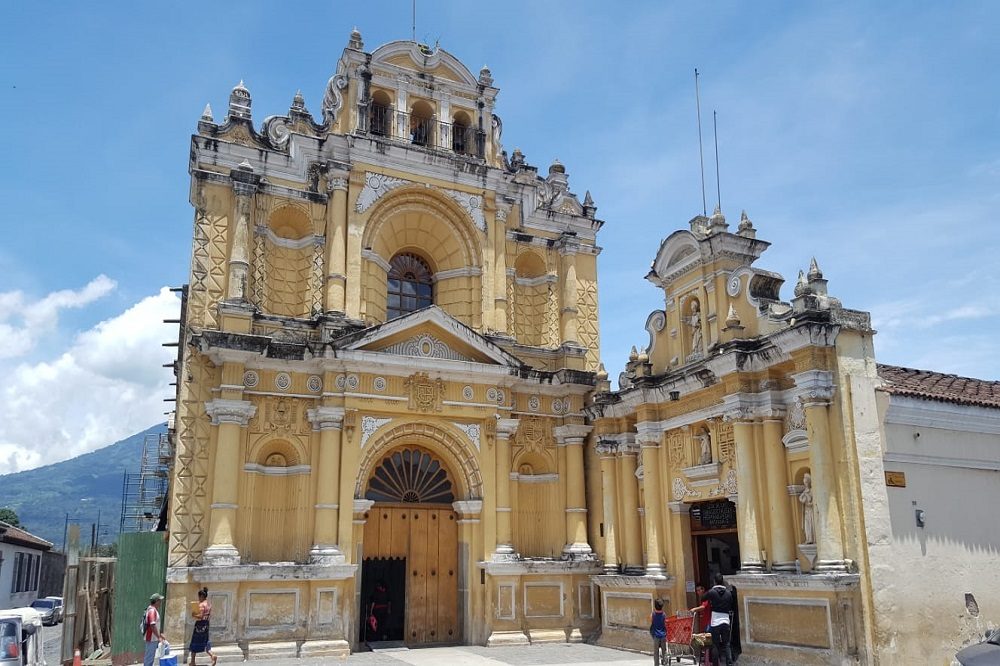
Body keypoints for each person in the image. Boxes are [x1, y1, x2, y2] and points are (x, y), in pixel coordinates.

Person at [702, 573, 734, 666]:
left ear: (714, 581)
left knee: (715, 645)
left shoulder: (712, 592)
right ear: (723, 581)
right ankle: (730, 663)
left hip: (715, 622)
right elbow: (731, 603)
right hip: (725, 620)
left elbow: (703, 598)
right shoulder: (728, 593)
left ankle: (716, 664)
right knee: (726, 643)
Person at [188, 587, 217, 666]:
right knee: (206, 641)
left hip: (199, 625)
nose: (199, 598)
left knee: (194, 643)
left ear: (201, 596)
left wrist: (194, 615)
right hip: (206, 624)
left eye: (199, 597)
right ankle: (212, 655)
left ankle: (193, 662)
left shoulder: (201, 605)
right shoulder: (208, 604)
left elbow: (200, 616)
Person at [689, 584, 712, 663]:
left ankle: (708, 658)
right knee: (706, 640)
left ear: (703, 589)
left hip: (709, 622)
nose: (698, 592)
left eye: (699, 590)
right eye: (697, 590)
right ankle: (707, 657)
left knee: (707, 641)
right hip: (705, 621)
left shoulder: (706, 597)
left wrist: (694, 609)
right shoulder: (703, 598)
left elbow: (703, 607)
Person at [143, 593, 166, 666]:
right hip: (151, 638)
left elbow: (155, 625)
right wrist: (158, 637)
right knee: (149, 659)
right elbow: (152, 625)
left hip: (153, 637)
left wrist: (160, 635)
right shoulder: (152, 611)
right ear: (156, 601)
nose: (160, 603)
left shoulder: (153, 610)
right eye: (160, 601)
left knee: (151, 657)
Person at [649, 598, 668, 666]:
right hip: (663, 635)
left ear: (655, 606)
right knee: (664, 651)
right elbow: (665, 624)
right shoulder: (664, 615)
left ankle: (656, 664)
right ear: (662, 606)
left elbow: (651, 622)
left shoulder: (652, 614)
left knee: (656, 652)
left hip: (656, 636)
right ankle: (665, 663)